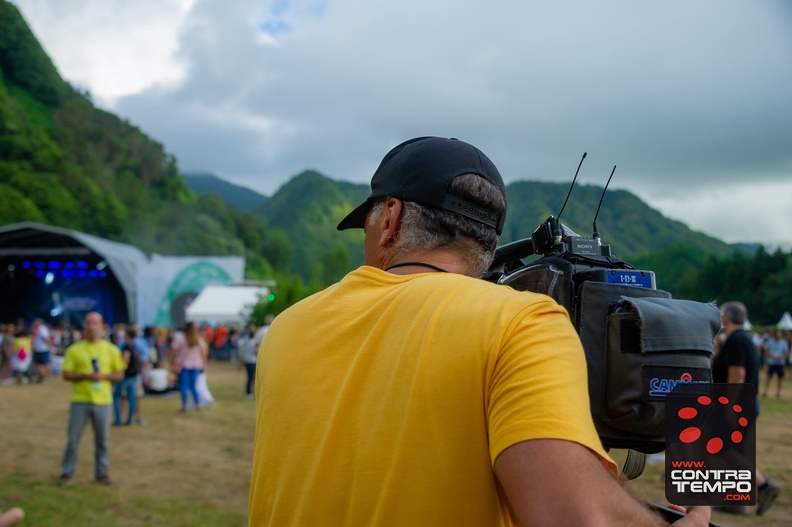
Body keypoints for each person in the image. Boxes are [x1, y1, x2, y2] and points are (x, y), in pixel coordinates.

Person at [248, 136, 711, 526]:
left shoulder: (289, 325)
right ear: (488, 253)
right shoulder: (518, 320)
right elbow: (573, 514)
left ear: (389, 221)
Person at [712, 301, 781, 515]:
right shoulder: (741, 340)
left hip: (737, 405)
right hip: (746, 404)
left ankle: (764, 486)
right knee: (735, 450)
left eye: (721, 315)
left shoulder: (736, 340)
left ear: (727, 318)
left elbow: (737, 374)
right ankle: (738, 501)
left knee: (724, 449)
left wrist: (730, 405)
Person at [57, 311, 126, 487]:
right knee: (73, 439)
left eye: (96, 323)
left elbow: (119, 373)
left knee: (102, 441)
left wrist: (103, 377)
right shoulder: (75, 349)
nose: (92, 326)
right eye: (89, 323)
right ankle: (67, 471)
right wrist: (84, 376)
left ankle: (102, 473)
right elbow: (66, 373)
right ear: (85, 326)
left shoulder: (111, 349)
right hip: (80, 400)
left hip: (102, 401)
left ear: (103, 326)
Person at [171, 321, 207, 411]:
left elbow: (174, 352)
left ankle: (185, 405)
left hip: (183, 365)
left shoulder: (181, 339)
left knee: (184, 386)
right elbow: (203, 353)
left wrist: (173, 363)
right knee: (194, 386)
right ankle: (197, 404)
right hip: (196, 365)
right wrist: (203, 364)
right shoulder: (198, 339)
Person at [112, 328, 143, 426]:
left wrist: (119, 370)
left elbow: (125, 360)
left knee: (116, 396)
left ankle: (118, 419)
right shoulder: (135, 346)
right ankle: (130, 419)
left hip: (126, 375)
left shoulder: (126, 347)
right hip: (134, 375)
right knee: (131, 397)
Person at [761, 329, 789, 399]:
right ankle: (765, 391)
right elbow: (765, 352)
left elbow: (786, 353)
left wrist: (782, 357)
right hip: (772, 363)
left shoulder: (784, 343)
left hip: (780, 363)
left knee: (780, 379)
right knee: (769, 378)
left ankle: (778, 392)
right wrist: (771, 356)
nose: (777, 335)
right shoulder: (770, 343)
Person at [31, 318, 54, 382]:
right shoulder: (42, 328)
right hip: (41, 348)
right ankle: (44, 376)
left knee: (41, 363)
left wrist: (49, 345)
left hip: (41, 349)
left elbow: (45, 338)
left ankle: (45, 376)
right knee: (42, 363)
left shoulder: (41, 328)